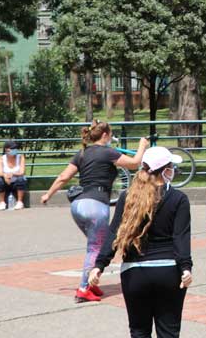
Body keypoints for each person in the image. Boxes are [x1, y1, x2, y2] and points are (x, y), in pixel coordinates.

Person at [88, 146, 193, 338]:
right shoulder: (178, 199)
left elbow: (113, 234)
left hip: (134, 273)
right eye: (173, 167)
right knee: (168, 329)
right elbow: (181, 238)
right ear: (165, 171)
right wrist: (186, 267)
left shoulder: (128, 197)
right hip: (168, 270)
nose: (175, 171)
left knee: (140, 330)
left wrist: (99, 265)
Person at [41, 121, 149, 303]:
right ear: (105, 135)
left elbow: (64, 177)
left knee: (97, 245)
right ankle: (84, 288)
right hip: (96, 205)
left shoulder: (82, 153)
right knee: (96, 247)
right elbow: (135, 163)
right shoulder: (108, 152)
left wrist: (48, 194)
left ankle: (91, 282)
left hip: (78, 206)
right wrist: (142, 146)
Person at [0, 139, 27, 210]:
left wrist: (12, 174)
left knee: (21, 179)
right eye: (12, 149)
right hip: (6, 182)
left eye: (15, 148)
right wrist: (5, 175)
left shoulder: (20, 157)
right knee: (0, 180)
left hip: (17, 182)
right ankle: (2, 202)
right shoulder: (1, 159)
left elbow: (22, 172)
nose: (15, 150)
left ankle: (20, 202)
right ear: (6, 150)